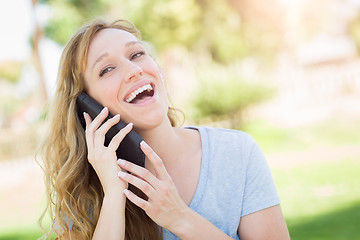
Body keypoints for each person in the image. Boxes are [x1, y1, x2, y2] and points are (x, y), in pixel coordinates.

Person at [39, 18, 290, 240]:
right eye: (107, 69)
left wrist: (181, 219)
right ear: (88, 106)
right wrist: (114, 194)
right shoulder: (87, 193)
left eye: (136, 55)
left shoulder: (236, 152)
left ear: (158, 69)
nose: (133, 71)